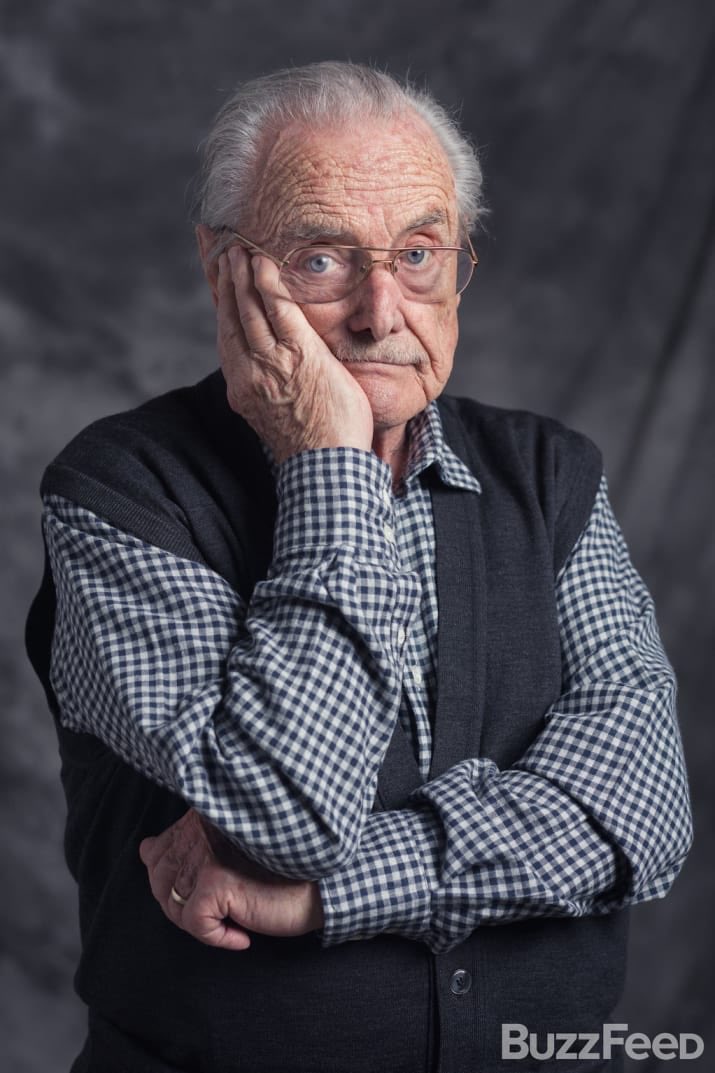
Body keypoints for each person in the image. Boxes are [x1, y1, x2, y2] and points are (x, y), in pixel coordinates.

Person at [26, 61, 692, 1073]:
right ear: (224, 268)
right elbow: (287, 814)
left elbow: (640, 812)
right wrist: (327, 460)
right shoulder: (121, 493)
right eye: (323, 259)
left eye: (418, 254)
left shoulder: (552, 477)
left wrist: (324, 894)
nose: (382, 313)